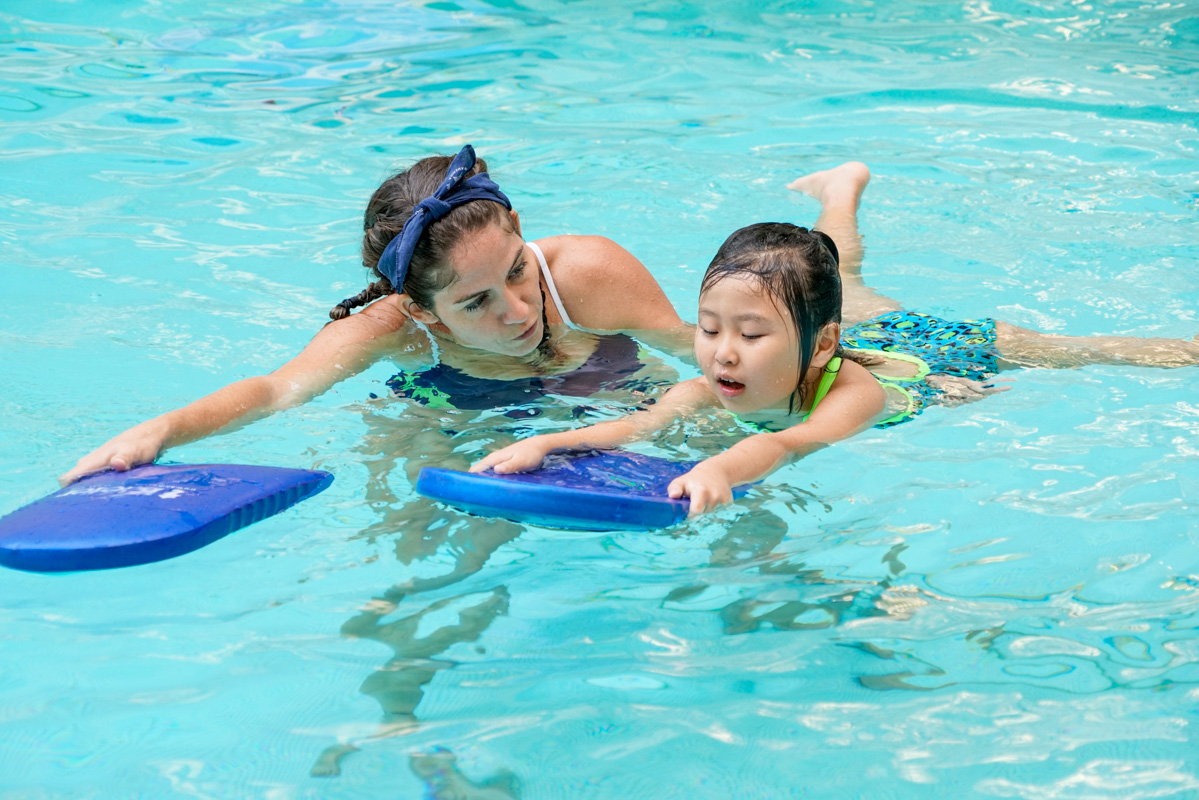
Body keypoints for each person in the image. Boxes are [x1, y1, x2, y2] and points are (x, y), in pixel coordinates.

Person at [471, 163, 1199, 516]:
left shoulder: (849, 390)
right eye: (710, 327)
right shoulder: (713, 383)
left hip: (933, 350)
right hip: (853, 330)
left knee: (1071, 349)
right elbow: (635, 423)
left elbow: (786, 444)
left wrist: (724, 466)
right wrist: (546, 446)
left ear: (818, 348)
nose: (722, 350)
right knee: (841, 277)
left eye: (750, 334)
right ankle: (840, 191)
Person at [59, 145, 685, 486]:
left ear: (519, 230)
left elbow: (704, 358)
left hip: (609, 387)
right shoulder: (393, 330)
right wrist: (161, 431)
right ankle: (398, 700)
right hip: (457, 406)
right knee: (414, 527)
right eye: (475, 302)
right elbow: (278, 390)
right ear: (423, 312)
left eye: (517, 270)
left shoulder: (587, 275)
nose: (518, 310)